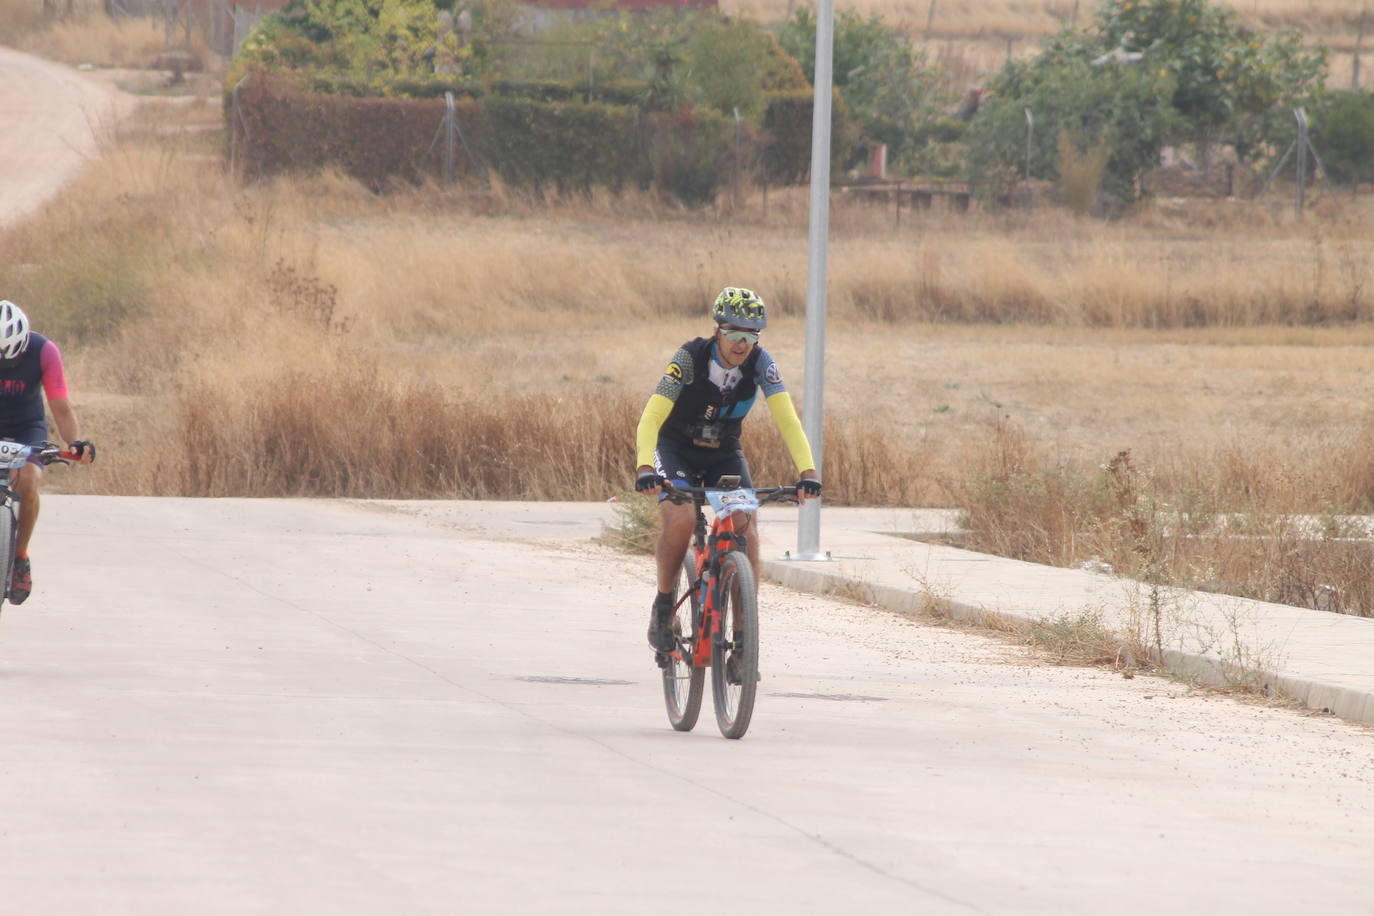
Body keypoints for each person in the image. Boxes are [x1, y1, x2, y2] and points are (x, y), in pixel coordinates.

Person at [633, 286, 821, 658]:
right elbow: (653, 414)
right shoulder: (689, 357)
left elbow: (787, 420)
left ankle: (741, 637)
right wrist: (643, 466)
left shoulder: (761, 364)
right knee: (682, 517)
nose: (742, 344)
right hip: (676, 449)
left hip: (723, 454)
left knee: (745, 527)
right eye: (735, 334)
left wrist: (808, 471)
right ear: (717, 330)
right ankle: (663, 604)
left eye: (751, 336)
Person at [0, 300, 96, 604]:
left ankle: (19, 557)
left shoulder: (44, 351)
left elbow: (60, 406)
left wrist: (75, 443)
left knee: (27, 480)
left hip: (27, 427)